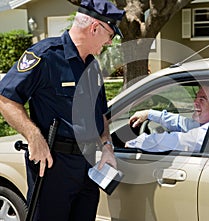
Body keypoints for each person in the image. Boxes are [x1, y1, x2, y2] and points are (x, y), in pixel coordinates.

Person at [0, 0, 124, 220]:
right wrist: (33, 136)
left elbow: (101, 113)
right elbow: (6, 99)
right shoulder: (45, 55)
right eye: (110, 35)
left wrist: (106, 145)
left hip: (87, 165)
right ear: (95, 28)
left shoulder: (92, 65)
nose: (109, 42)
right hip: (53, 166)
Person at [125, 80, 209, 152]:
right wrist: (149, 113)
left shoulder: (208, 134)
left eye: (202, 99)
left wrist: (134, 143)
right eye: (196, 97)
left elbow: (173, 141)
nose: (195, 102)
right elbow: (182, 123)